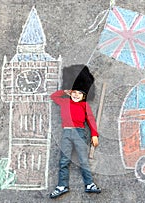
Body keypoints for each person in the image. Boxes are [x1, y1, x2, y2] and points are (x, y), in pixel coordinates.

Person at [49, 65, 101, 199]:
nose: (76, 95)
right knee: (63, 161)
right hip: (66, 133)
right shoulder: (64, 102)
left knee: (83, 160)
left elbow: (91, 120)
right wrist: (64, 91)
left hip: (79, 132)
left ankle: (89, 184)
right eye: (74, 92)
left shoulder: (84, 105)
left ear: (84, 94)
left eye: (80, 93)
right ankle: (62, 185)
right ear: (70, 92)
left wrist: (94, 134)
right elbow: (53, 96)